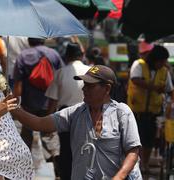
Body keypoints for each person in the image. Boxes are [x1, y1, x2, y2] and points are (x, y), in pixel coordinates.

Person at [11, 65, 142, 179]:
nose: (84, 89)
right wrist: (15, 110)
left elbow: (133, 151)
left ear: (107, 89)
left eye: (90, 86)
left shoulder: (122, 113)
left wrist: (119, 177)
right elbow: (39, 123)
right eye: (85, 85)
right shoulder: (75, 113)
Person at [45, 42, 90, 180]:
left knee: (66, 150)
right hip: (87, 115)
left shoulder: (60, 73)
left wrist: (47, 123)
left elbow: (52, 102)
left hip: (65, 117)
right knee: (86, 149)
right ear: (81, 56)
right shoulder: (91, 71)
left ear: (67, 56)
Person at [127, 45, 174, 174]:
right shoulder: (139, 65)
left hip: (153, 113)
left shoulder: (165, 72)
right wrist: (154, 88)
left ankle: (144, 164)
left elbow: (170, 90)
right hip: (135, 113)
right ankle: (133, 165)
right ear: (155, 59)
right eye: (162, 60)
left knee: (148, 142)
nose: (164, 63)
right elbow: (135, 79)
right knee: (133, 141)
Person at [13, 37, 63, 150]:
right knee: (49, 134)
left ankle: (25, 161)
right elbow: (61, 76)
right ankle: (54, 159)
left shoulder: (23, 55)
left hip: (28, 103)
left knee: (26, 133)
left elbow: (18, 83)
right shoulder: (54, 54)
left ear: (29, 41)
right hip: (49, 103)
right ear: (43, 40)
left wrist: (16, 104)